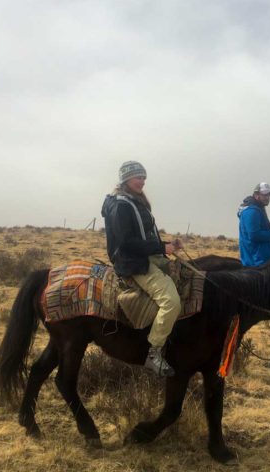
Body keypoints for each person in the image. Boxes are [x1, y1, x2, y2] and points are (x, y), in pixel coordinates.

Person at [101, 160, 182, 377]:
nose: (142, 182)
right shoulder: (121, 206)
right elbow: (127, 242)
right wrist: (161, 247)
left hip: (146, 256)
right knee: (171, 302)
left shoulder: (133, 201)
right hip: (133, 262)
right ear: (126, 179)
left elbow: (144, 236)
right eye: (139, 177)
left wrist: (167, 246)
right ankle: (153, 352)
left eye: (144, 178)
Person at [237, 182, 270, 267]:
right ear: (256, 195)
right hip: (257, 263)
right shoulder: (252, 211)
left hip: (261, 259)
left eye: (269, 195)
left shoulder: (258, 209)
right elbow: (254, 235)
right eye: (265, 195)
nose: (267, 197)